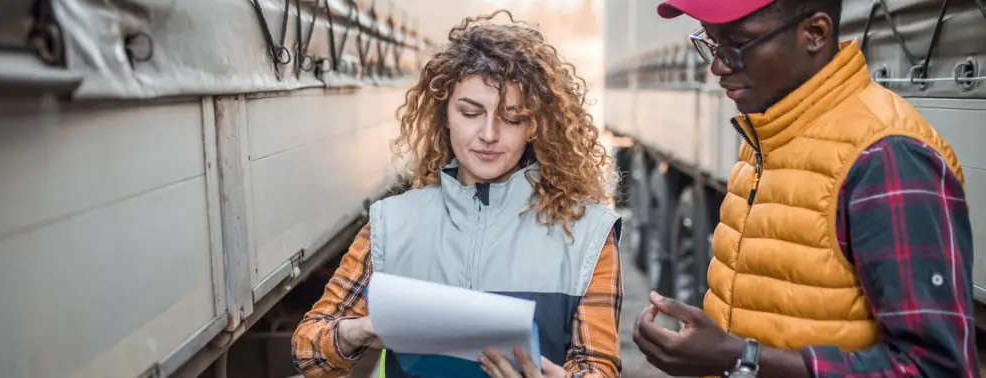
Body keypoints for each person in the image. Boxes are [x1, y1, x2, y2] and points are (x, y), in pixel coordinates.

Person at [631, 0, 978, 377]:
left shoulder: (887, 158)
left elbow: (936, 369)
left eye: (737, 44)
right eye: (711, 44)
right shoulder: (768, 132)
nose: (717, 65)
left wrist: (741, 358)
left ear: (815, 33)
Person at [291, 10, 624, 378]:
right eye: (470, 112)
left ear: (535, 127)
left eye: (512, 118)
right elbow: (309, 351)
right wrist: (362, 329)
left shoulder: (587, 234)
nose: (489, 134)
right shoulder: (391, 224)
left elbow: (598, 368)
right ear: (444, 114)